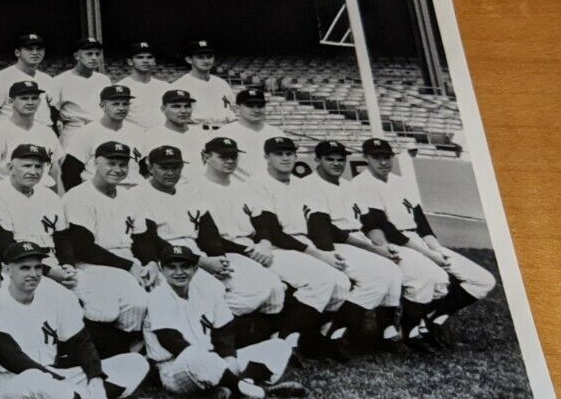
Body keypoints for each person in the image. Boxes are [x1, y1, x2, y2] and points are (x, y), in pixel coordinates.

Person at [0, 240, 157, 399]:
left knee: (135, 363)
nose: (33, 274)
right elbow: (13, 360)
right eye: (25, 268)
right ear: (7, 270)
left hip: (56, 376)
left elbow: (82, 343)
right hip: (13, 383)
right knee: (36, 380)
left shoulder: (52, 296)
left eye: (38, 268)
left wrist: (95, 379)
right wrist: (64, 382)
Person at [130, 143, 289, 338]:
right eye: (164, 167)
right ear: (150, 167)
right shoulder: (137, 195)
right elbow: (150, 240)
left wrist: (218, 258)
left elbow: (208, 232)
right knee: (211, 293)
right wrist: (201, 261)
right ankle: (201, 335)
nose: (170, 172)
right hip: (170, 258)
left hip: (200, 253)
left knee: (267, 286)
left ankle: (223, 334)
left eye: (176, 167)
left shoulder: (189, 192)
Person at [348, 137, 495, 342]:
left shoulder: (400, 182)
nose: (383, 162)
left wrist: (435, 247)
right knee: (432, 277)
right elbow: (383, 227)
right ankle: (410, 331)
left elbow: (420, 220)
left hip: (418, 238)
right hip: (395, 242)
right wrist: (428, 254)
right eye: (376, 157)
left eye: (387, 156)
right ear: (366, 158)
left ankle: (434, 318)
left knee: (483, 280)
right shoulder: (360, 184)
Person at [143, 245, 303, 399]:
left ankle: (235, 386)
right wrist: (216, 362)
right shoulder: (158, 297)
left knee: (278, 346)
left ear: (195, 269)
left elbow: (224, 330)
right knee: (193, 354)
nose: (179, 272)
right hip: (176, 368)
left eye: (185, 266)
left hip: (213, 361)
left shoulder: (206, 291)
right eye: (172, 267)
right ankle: (253, 390)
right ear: (162, 270)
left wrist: (229, 359)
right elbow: (171, 340)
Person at [298, 140, 415, 351]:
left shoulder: (348, 186)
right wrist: (371, 249)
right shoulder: (308, 185)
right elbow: (323, 228)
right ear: (317, 160)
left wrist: (382, 244)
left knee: (393, 272)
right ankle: (334, 331)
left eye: (340, 159)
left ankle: (384, 330)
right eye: (329, 159)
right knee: (378, 276)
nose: (336, 164)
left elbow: (368, 220)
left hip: (358, 239)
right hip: (334, 242)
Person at [244, 136, 355, 357]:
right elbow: (272, 231)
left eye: (289, 153)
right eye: (279, 153)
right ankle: (285, 341)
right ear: (267, 157)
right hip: (275, 247)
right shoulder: (256, 184)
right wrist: (318, 254)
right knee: (320, 281)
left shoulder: (302, 184)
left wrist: (326, 251)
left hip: (304, 244)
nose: (285, 158)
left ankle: (313, 337)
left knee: (341, 284)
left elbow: (317, 222)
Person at [58, 140, 152, 356]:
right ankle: (107, 352)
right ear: (95, 162)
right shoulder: (78, 196)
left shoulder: (129, 197)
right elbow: (83, 248)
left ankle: (129, 351)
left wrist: (152, 262)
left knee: (145, 302)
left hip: (125, 261)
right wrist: (129, 266)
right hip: (92, 264)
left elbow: (142, 238)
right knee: (114, 307)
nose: (117, 170)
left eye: (122, 164)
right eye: (111, 163)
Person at [0, 143, 78, 291]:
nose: (33, 171)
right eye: (27, 166)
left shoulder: (50, 196)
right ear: (10, 167)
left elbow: (62, 238)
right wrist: (49, 272)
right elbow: (5, 247)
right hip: (18, 266)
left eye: (38, 166)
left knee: (100, 300)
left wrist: (68, 265)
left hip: (51, 261)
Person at [0, 79, 63, 192]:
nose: (30, 102)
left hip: (42, 197)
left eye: (34, 98)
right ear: (11, 102)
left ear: (40, 101)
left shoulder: (47, 133)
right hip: (5, 196)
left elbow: (54, 173)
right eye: (24, 98)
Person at [61, 84, 150, 191]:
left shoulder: (138, 132)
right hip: (97, 191)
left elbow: (145, 168)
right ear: (102, 105)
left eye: (125, 104)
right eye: (115, 104)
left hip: (132, 191)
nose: (121, 108)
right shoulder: (86, 132)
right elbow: (70, 171)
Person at [0, 32, 56, 132]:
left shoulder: (48, 80)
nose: (35, 52)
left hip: (43, 135)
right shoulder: (1, 78)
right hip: (11, 134)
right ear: (17, 52)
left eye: (39, 48)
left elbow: (54, 114)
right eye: (29, 49)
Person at [47, 36, 109, 148]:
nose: (94, 58)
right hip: (74, 131)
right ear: (77, 56)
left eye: (97, 54)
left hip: (99, 131)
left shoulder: (104, 80)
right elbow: (52, 114)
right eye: (89, 54)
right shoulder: (60, 81)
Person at [170, 39, 237, 130]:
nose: (206, 61)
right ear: (189, 59)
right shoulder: (179, 85)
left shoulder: (222, 83)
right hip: (197, 130)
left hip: (225, 130)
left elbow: (233, 109)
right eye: (200, 57)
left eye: (209, 56)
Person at [140, 88, 212, 162]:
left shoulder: (203, 135)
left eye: (187, 106)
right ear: (163, 109)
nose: (183, 111)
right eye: (176, 106)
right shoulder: (151, 136)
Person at [225, 87, 282, 177]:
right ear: (237, 108)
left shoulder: (277, 134)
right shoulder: (224, 133)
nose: (256, 110)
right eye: (250, 105)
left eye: (260, 105)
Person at [115, 41, 169, 131]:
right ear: (130, 61)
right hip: (133, 137)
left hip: (162, 137)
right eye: (140, 57)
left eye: (149, 57)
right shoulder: (120, 87)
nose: (145, 61)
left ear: (154, 61)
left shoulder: (166, 87)